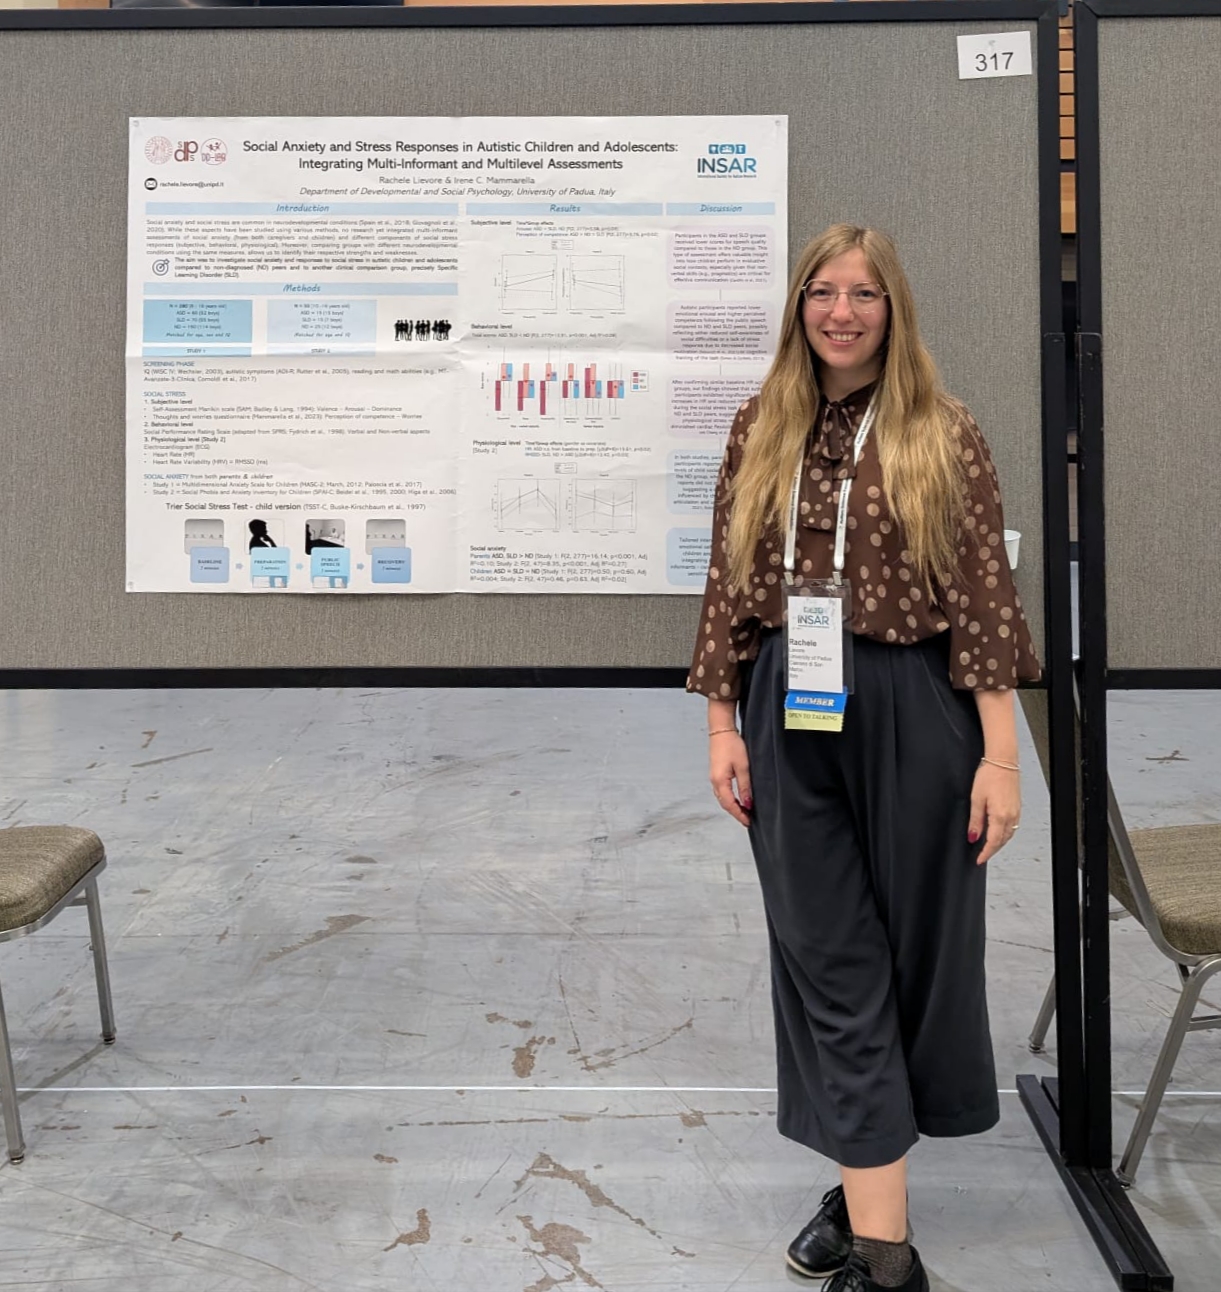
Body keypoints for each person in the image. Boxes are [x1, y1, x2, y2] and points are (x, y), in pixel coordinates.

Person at [688, 224, 1041, 1292]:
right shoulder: (760, 424)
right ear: (798, 306)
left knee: (916, 962)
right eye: (823, 292)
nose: (841, 312)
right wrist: (720, 724)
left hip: (913, 703)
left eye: (864, 294)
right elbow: (726, 582)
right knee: (827, 956)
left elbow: (982, 597)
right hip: (788, 702)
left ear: (895, 309)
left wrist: (1000, 759)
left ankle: (863, 1185)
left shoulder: (942, 429)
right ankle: (890, 1260)